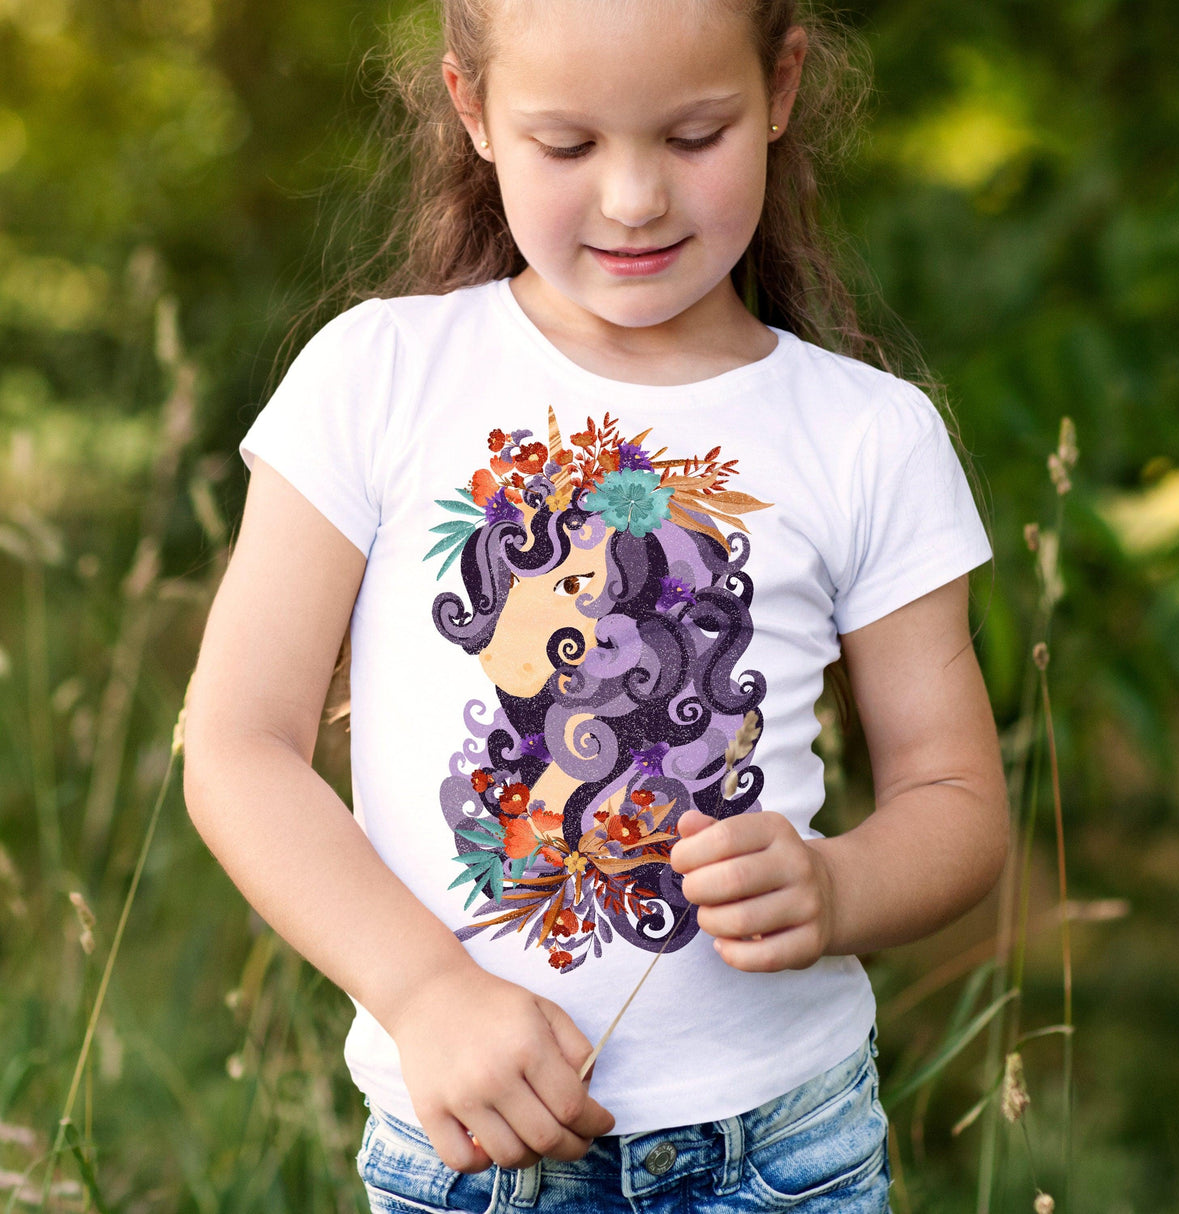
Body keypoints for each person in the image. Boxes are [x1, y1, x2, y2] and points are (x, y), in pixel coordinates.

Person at [182, 0, 1009, 1209]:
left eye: (692, 136)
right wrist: (423, 992)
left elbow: (954, 800)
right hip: (469, 1153)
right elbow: (236, 743)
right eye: (567, 144)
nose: (632, 198)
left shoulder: (868, 433)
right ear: (472, 110)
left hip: (785, 1147)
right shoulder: (377, 375)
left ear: (779, 88)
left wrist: (837, 887)